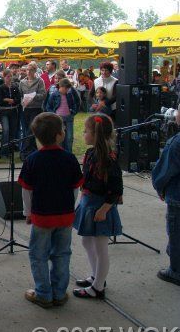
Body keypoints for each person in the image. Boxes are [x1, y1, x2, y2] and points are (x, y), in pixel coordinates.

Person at [18, 112, 83, 308]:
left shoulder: (32, 160)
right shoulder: (70, 158)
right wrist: (70, 208)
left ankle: (43, 293)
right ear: (60, 135)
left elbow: (26, 190)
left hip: (42, 217)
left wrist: (28, 213)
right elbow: (75, 188)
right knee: (62, 254)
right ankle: (59, 292)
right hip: (65, 216)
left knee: (38, 255)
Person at [73, 114, 123, 299]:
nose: (83, 134)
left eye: (86, 131)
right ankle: (96, 276)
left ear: (96, 134)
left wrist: (104, 209)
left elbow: (116, 189)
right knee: (87, 241)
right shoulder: (90, 153)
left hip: (100, 206)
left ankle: (98, 287)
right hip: (88, 202)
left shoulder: (108, 159)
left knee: (101, 246)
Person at [151, 103, 180, 286]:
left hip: (177, 197)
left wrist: (160, 188)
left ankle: (176, 271)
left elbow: (163, 172)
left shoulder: (176, 142)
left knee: (176, 234)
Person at [19, 63, 46, 160]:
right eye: (27, 70)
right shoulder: (22, 82)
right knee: (26, 130)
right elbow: (20, 94)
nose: (29, 72)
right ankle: (30, 151)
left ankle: (26, 152)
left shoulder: (40, 81)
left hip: (36, 108)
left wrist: (34, 96)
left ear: (35, 70)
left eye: (31, 70)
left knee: (31, 130)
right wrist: (22, 100)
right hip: (25, 109)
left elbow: (43, 95)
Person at [45, 78, 79, 153]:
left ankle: (69, 153)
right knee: (59, 138)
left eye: (68, 89)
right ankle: (60, 153)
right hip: (58, 120)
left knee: (69, 137)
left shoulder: (69, 94)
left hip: (69, 118)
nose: (67, 90)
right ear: (61, 87)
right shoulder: (54, 95)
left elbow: (74, 104)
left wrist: (73, 112)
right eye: (66, 88)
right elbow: (48, 106)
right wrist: (54, 115)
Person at [0, 68, 22, 158]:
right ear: (4, 77)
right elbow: (0, 101)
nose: (9, 78)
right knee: (6, 130)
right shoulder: (1, 87)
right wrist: (8, 100)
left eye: (10, 76)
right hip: (4, 111)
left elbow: (18, 99)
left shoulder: (15, 87)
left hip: (13, 111)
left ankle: (10, 151)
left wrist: (11, 100)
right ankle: (4, 151)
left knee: (12, 131)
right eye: (7, 77)